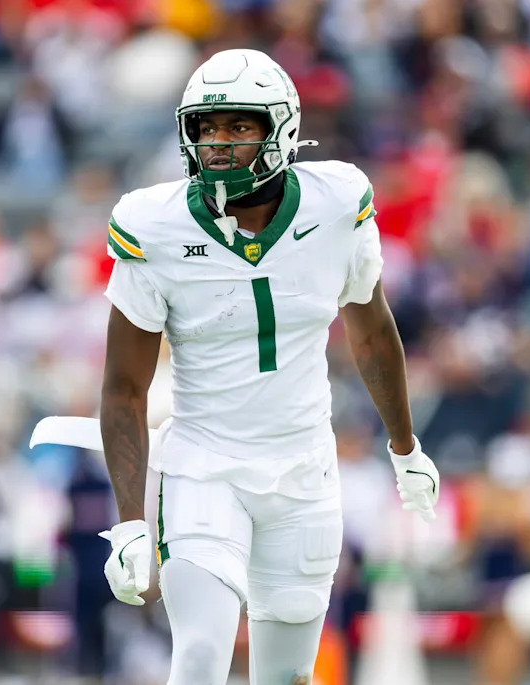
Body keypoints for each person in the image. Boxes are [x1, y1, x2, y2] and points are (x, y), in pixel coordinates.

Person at [97, 49, 440, 684]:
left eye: (238, 126)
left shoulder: (336, 203)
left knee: (287, 677)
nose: (217, 143)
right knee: (200, 656)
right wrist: (128, 522)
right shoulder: (155, 226)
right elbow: (124, 385)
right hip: (204, 466)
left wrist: (404, 448)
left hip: (304, 471)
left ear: (281, 129)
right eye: (206, 128)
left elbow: (370, 331)